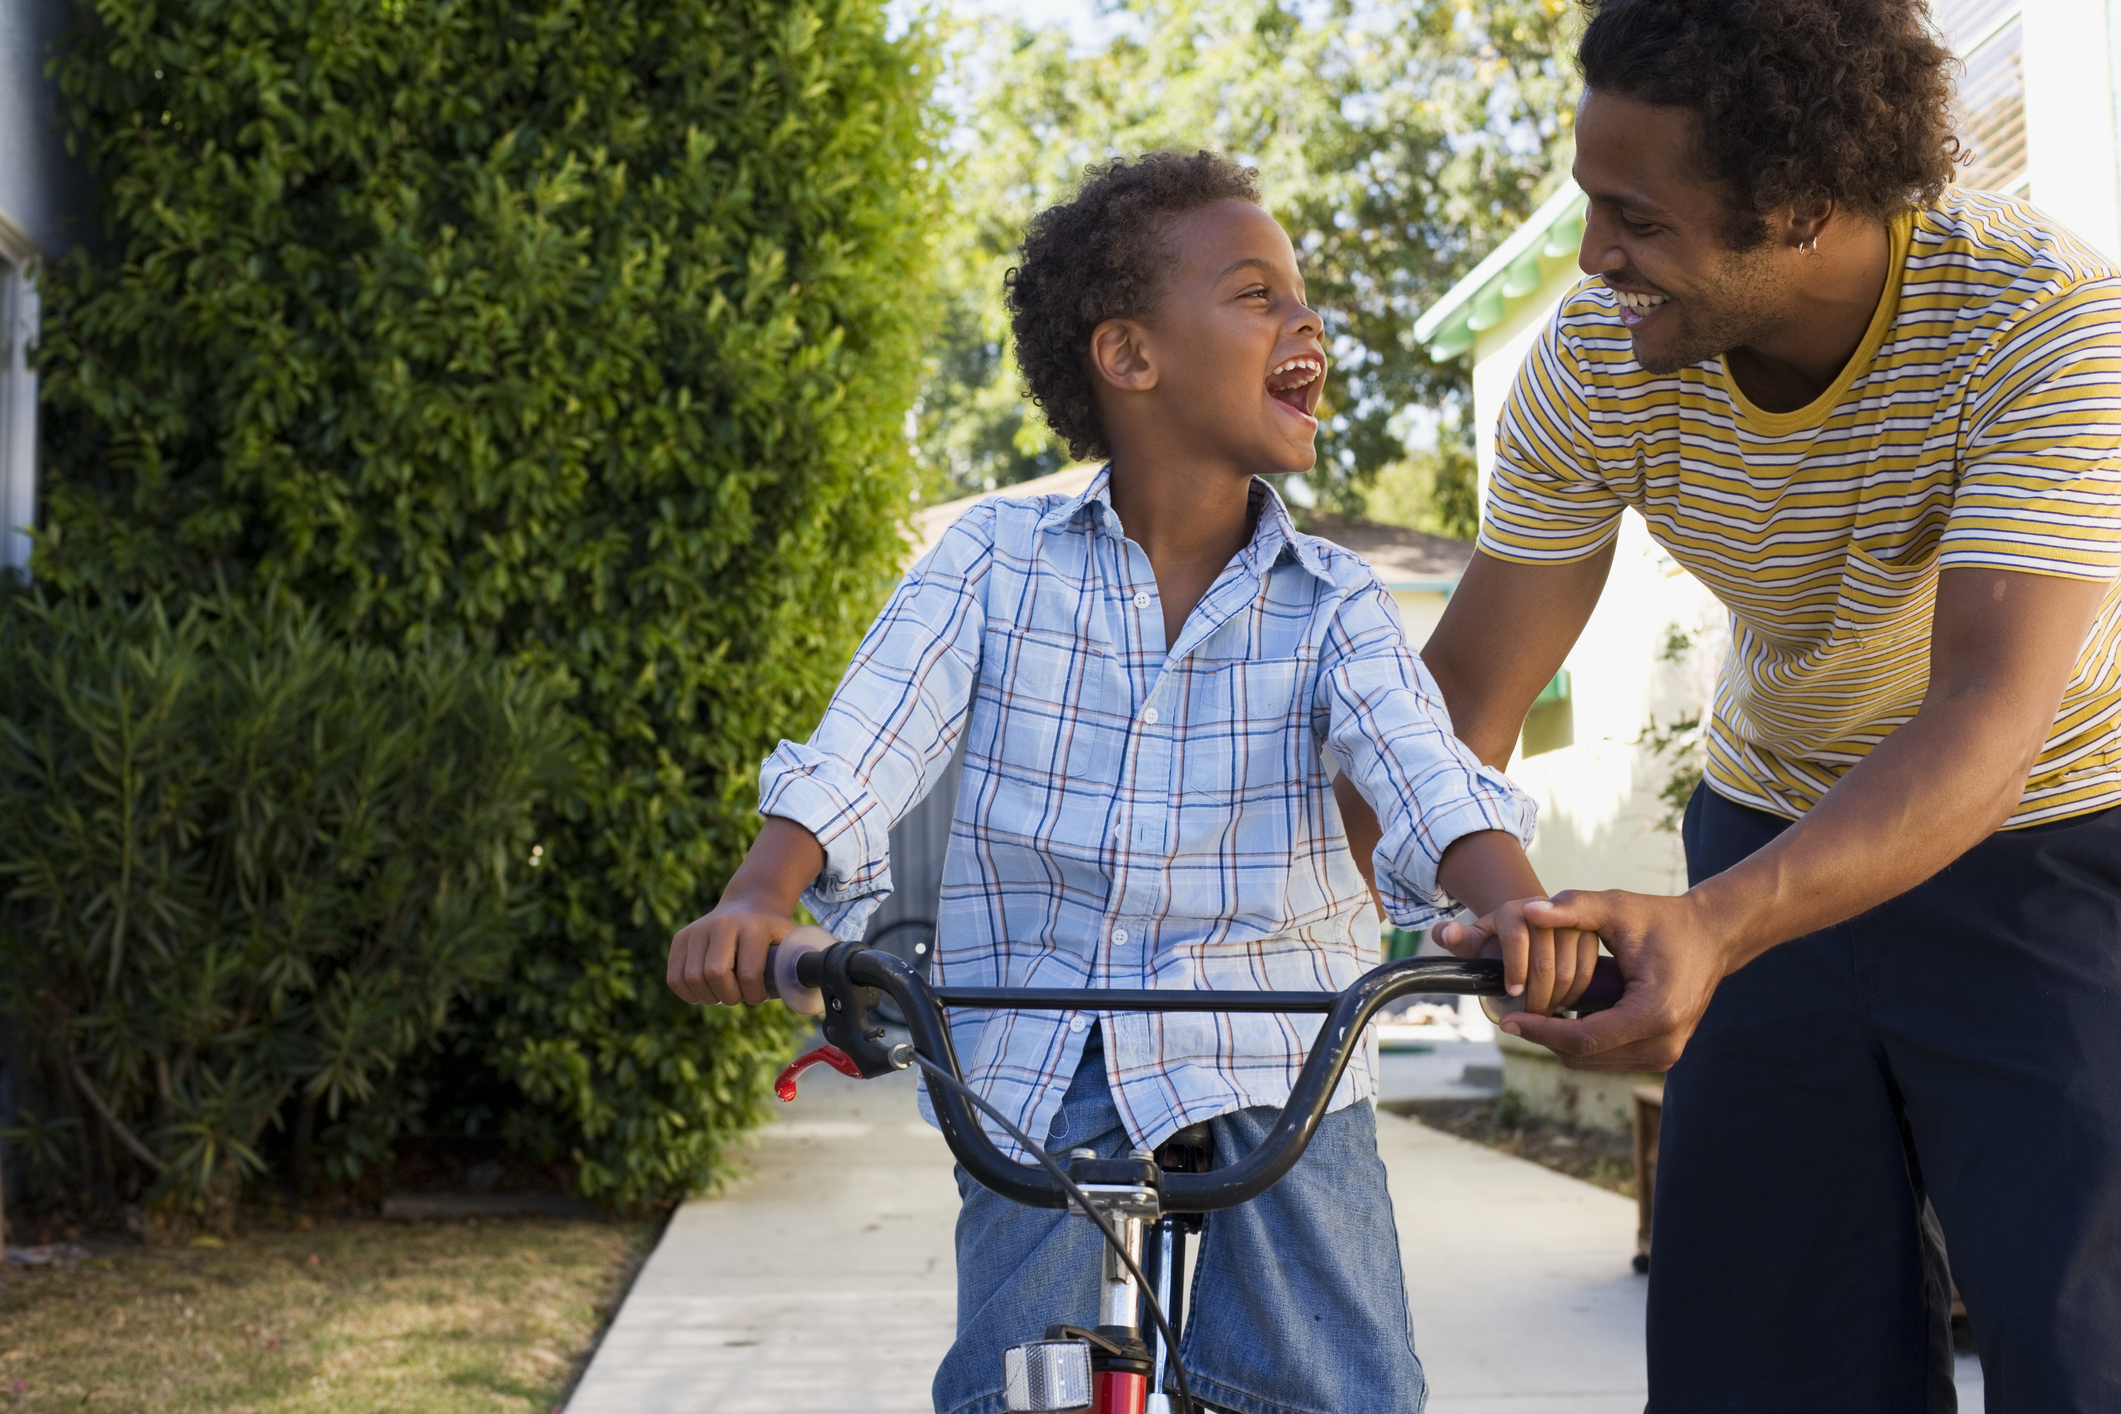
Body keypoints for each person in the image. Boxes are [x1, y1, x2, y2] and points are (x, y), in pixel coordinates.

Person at [665, 151, 1592, 1414]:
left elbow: (1426, 771)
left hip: (1275, 1050)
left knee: (1339, 1379)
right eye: (1258, 294)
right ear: (1130, 355)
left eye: (1302, 298)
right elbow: (866, 740)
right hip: (1037, 1045)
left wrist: (1519, 911)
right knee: (1011, 1382)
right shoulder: (993, 561)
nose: (1306, 322)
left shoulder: (1337, 603)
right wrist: (763, 893)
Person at [1374, 0, 2121, 1407]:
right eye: (1590, 203)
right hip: (1770, 818)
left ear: (1796, 208)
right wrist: (1462, 903)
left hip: (2051, 843)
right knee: (1762, 1360)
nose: (1596, 257)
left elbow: (1983, 712)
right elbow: (1466, 692)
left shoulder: (2042, 321)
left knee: (2086, 1344)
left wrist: (1713, 925)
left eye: (1636, 218)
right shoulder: (1599, 361)